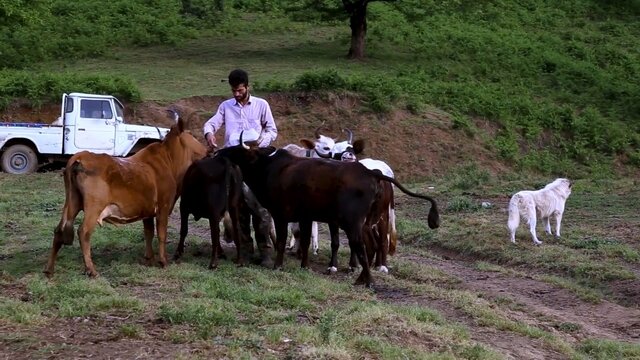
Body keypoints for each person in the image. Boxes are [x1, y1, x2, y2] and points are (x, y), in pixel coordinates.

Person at [203, 69, 278, 267]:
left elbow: (272, 129)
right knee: (238, 207)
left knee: (261, 209)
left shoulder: (261, 105)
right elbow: (212, 123)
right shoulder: (226, 107)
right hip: (233, 162)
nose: (236, 94)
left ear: (247, 86)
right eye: (233, 90)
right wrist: (209, 134)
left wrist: (261, 141)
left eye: (239, 90)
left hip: (256, 160)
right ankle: (244, 250)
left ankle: (266, 252)